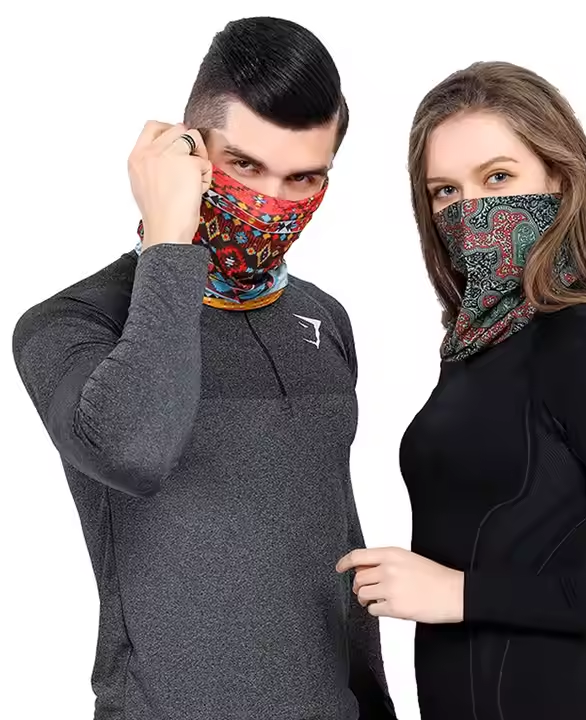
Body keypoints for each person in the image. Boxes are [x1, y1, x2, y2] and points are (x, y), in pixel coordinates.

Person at [13, 16, 395, 720]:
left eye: (303, 178)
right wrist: (169, 241)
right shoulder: (71, 324)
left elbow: (337, 534)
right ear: (186, 153)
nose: (272, 203)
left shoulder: (324, 319)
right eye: (244, 166)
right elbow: (134, 449)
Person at [337, 61, 586, 719]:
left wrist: (462, 595)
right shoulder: (475, 342)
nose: (470, 211)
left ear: (559, 178)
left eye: (498, 177)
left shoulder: (583, 343)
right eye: (445, 191)